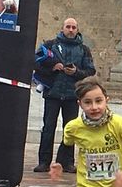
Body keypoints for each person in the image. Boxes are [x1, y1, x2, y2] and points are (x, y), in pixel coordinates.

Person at [33, 18, 96, 173]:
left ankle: (66, 162)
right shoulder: (50, 45)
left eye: (74, 27)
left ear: (77, 30)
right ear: (62, 29)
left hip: (72, 95)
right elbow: (36, 63)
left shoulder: (84, 49)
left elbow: (90, 71)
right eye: (68, 27)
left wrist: (76, 72)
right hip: (53, 93)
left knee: (71, 129)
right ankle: (44, 161)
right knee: (48, 128)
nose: (71, 30)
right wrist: (52, 68)